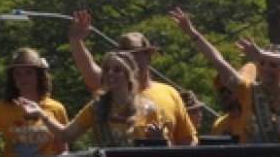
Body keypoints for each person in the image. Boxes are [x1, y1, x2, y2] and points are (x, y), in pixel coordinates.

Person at [170, 8, 280, 144]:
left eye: (273, 65)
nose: (266, 68)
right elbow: (218, 62)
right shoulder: (248, 90)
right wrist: (192, 32)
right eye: (262, 64)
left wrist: (262, 55)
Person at [65, 10, 198, 144]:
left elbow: (187, 139)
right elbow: (89, 68)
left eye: (134, 55)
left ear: (148, 57)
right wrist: (75, 40)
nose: (128, 61)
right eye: (123, 57)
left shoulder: (170, 93)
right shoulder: (111, 87)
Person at [31, 52, 169, 147]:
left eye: (117, 70)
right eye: (107, 69)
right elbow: (65, 135)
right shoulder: (96, 107)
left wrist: (159, 139)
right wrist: (42, 114)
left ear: (129, 75)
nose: (110, 73)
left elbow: (167, 149)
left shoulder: (149, 108)